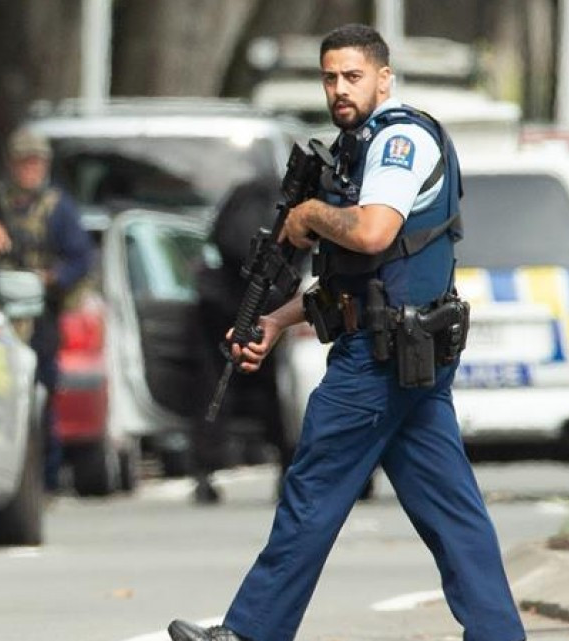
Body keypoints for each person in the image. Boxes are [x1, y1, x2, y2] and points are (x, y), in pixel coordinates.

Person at [167, 24, 526, 641]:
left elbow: (372, 235)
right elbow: (363, 279)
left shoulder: (398, 142)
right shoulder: (358, 147)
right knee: (451, 511)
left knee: (313, 490)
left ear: (383, 78)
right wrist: (279, 319)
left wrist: (309, 214)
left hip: (380, 360)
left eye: (353, 76)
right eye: (330, 77)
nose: (339, 88)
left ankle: (251, 633)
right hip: (405, 349)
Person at [0, 127, 94, 494]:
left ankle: (44, 479)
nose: (30, 169)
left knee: (41, 394)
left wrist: (51, 278)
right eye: (24, 162)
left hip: (39, 317)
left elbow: (81, 258)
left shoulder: (59, 209)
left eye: (36, 162)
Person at [191, 177, 295, 504]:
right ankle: (287, 464)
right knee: (273, 393)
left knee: (218, 390)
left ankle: (207, 470)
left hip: (240, 308)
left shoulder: (242, 200)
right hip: (260, 308)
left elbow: (217, 238)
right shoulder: (275, 203)